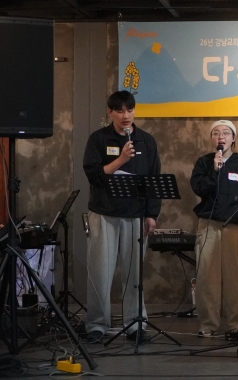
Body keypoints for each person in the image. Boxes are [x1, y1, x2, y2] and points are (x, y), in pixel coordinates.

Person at [82, 91, 161, 344]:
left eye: (129, 110)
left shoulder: (146, 141)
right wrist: (121, 159)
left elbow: (154, 179)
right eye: (119, 111)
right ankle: (97, 324)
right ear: (110, 112)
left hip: (136, 214)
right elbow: (94, 175)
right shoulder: (98, 139)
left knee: (134, 274)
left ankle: (135, 323)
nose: (125, 115)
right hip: (103, 213)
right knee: (100, 272)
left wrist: (151, 214)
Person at [190, 120, 238, 337]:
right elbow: (199, 188)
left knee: (236, 278)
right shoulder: (204, 162)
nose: (220, 137)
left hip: (235, 226)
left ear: (233, 138)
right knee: (207, 277)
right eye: (216, 133)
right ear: (211, 138)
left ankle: (236, 325)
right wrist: (214, 171)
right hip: (209, 225)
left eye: (226, 133)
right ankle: (208, 325)